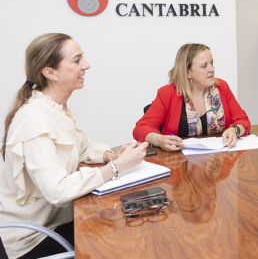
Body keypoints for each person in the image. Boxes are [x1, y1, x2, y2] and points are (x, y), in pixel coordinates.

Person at [0, 33, 148, 259]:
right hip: (31, 238)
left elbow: (81, 146)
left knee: (128, 224)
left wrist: (111, 155)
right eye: (77, 60)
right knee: (122, 243)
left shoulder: (55, 107)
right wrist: (116, 168)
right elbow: (57, 191)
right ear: (50, 73)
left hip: (57, 219)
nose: (86, 65)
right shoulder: (34, 119)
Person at [133, 43, 250, 151]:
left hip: (219, 161)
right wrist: (158, 140)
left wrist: (235, 130)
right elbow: (140, 129)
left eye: (212, 63)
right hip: (178, 163)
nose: (211, 69)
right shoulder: (167, 93)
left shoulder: (221, 88)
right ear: (188, 73)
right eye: (204, 66)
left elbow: (243, 120)